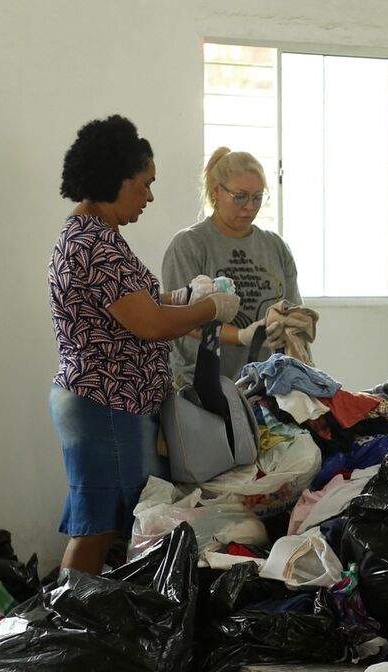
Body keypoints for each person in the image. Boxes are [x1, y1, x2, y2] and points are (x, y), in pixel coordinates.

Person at [49, 115, 244, 575]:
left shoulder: (96, 236)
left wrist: (184, 297)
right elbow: (151, 325)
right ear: (113, 179)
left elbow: (137, 304)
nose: (150, 197)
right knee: (97, 528)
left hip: (109, 402)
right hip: (105, 402)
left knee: (101, 523)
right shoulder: (94, 243)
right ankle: (67, 626)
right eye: (144, 184)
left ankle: (73, 621)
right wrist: (210, 308)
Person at [163, 147, 304, 382]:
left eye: (258, 197)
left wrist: (294, 326)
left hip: (263, 383)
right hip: (201, 385)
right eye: (240, 196)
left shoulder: (276, 247)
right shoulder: (189, 245)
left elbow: (292, 311)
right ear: (216, 191)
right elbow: (180, 320)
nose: (249, 206)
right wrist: (240, 336)